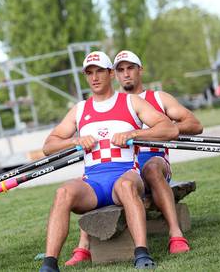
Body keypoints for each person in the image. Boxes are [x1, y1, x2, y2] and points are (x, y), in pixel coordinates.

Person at [39, 51, 179, 272]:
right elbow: (49, 146)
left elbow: (169, 129)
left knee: (126, 186)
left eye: (99, 72)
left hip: (125, 175)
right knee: (62, 193)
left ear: (111, 74)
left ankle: (141, 253)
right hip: (93, 183)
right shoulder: (80, 109)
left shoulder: (131, 101)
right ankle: (49, 264)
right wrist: (76, 140)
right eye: (89, 73)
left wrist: (134, 134)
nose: (94, 77)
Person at [64, 50, 203, 266]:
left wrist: (156, 131)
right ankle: (83, 247)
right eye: (120, 69)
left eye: (130, 68)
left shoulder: (158, 98)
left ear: (140, 70)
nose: (126, 74)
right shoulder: (114, 103)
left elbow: (195, 125)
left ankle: (175, 234)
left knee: (151, 169)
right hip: (124, 168)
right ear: (114, 74)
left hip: (154, 161)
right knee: (88, 178)